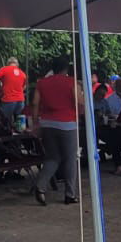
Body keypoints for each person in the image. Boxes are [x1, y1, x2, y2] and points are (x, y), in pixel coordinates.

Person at [31, 62, 81, 205]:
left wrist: (36, 123)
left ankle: (40, 186)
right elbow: (80, 101)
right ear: (66, 69)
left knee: (53, 157)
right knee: (70, 159)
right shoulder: (71, 82)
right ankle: (70, 194)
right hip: (67, 124)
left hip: (47, 123)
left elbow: (35, 103)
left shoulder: (42, 83)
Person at [0, 57, 29, 125]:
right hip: (20, 101)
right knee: (19, 124)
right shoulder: (22, 73)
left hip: (8, 100)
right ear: (17, 64)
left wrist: (0, 85)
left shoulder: (4, 69)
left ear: (8, 63)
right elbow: (24, 86)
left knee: (5, 123)